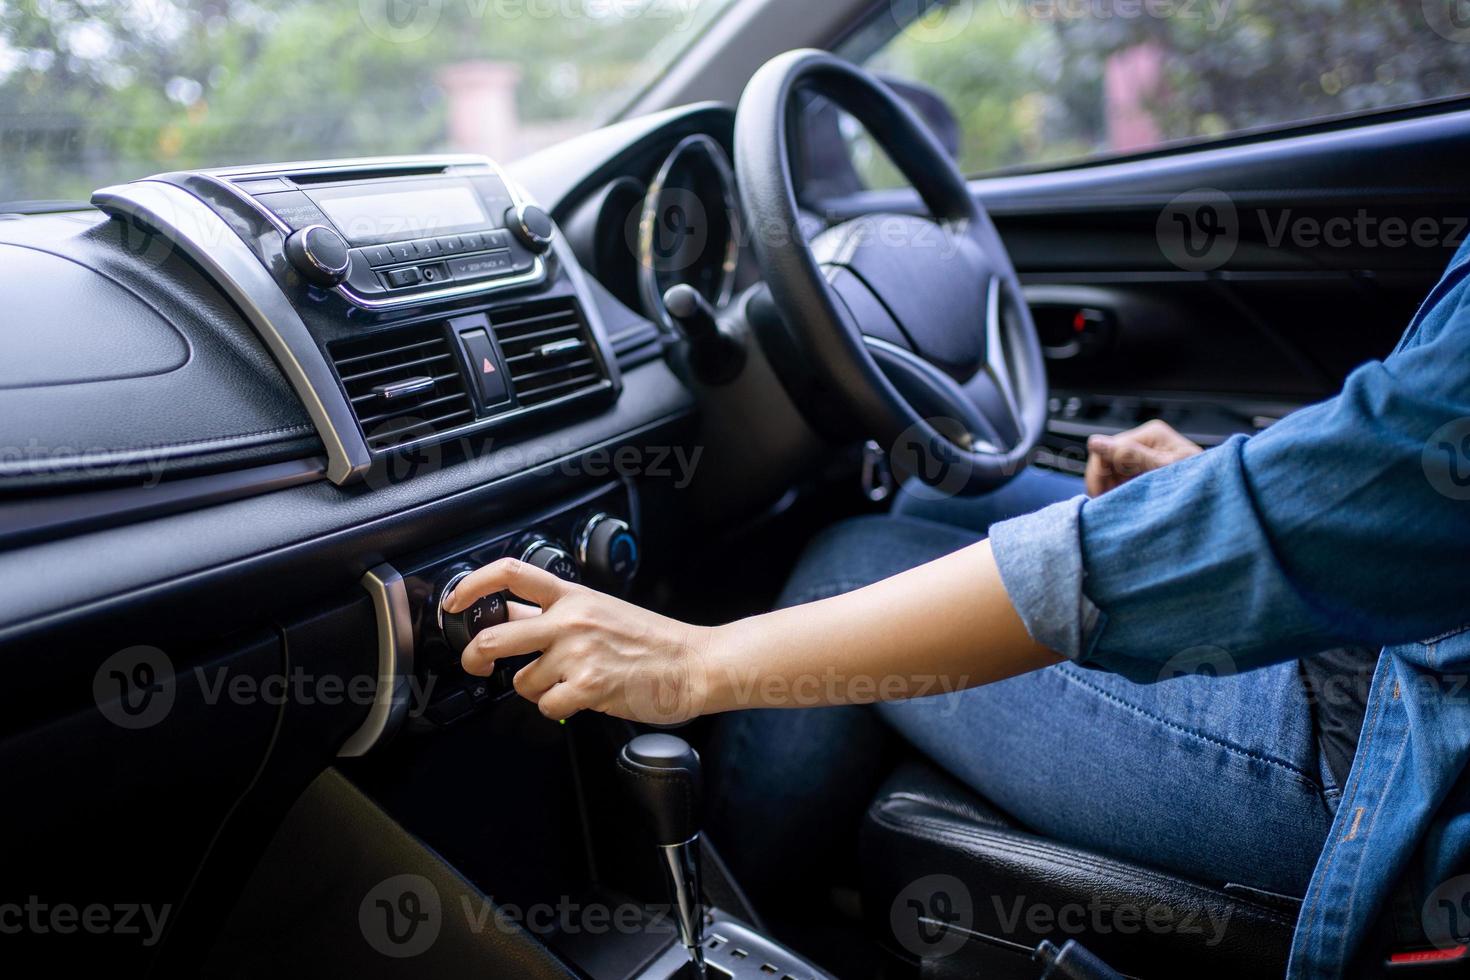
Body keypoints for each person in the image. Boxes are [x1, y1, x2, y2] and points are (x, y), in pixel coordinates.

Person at [441, 241, 1470, 976]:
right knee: (943, 494)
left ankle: (709, 916)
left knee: (850, 560)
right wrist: (1240, 488)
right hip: (1403, 640)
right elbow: (1396, 470)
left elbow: (1393, 462)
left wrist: (694, 659)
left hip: (1393, 748)